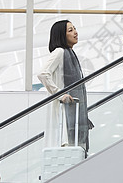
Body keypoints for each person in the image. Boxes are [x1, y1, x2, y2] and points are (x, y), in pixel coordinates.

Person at [37, 20, 94, 156]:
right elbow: (43, 74)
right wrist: (60, 94)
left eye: (74, 28)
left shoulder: (71, 54)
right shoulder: (59, 52)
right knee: (65, 146)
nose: (75, 32)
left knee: (72, 149)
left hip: (71, 110)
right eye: (70, 30)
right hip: (63, 110)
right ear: (61, 35)